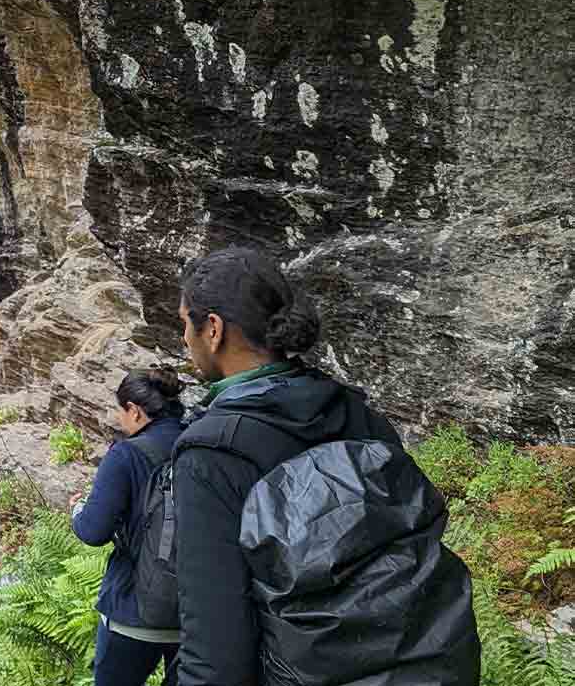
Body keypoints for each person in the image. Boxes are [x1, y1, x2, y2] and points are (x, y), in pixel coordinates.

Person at [171, 247, 478, 686]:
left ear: (213, 329)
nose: (185, 339)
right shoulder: (357, 414)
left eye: (186, 323)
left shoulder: (213, 453)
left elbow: (216, 649)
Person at [71, 369, 188, 686]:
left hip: (132, 611)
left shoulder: (125, 455)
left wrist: (78, 510)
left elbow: (93, 531)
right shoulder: (202, 443)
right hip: (195, 614)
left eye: (120, 411)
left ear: (134, 410)